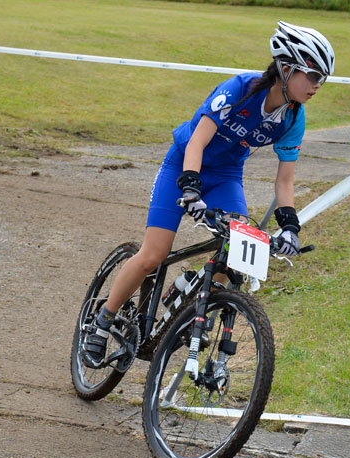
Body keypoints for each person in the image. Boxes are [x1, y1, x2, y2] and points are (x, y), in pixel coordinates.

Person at [82, 21, 335, 368]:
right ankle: (102, 322)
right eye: (314, 75)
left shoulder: (293, 118)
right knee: (153, 256)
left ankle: (195, 299)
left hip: (227, 176)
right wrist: (189, 187)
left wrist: (290, 225)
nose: (318, 85)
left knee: (234, 256)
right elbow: (198, 140)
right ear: (287, 69)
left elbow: (285, 182)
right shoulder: (240, 89)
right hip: (184, 164)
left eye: (323, 78)